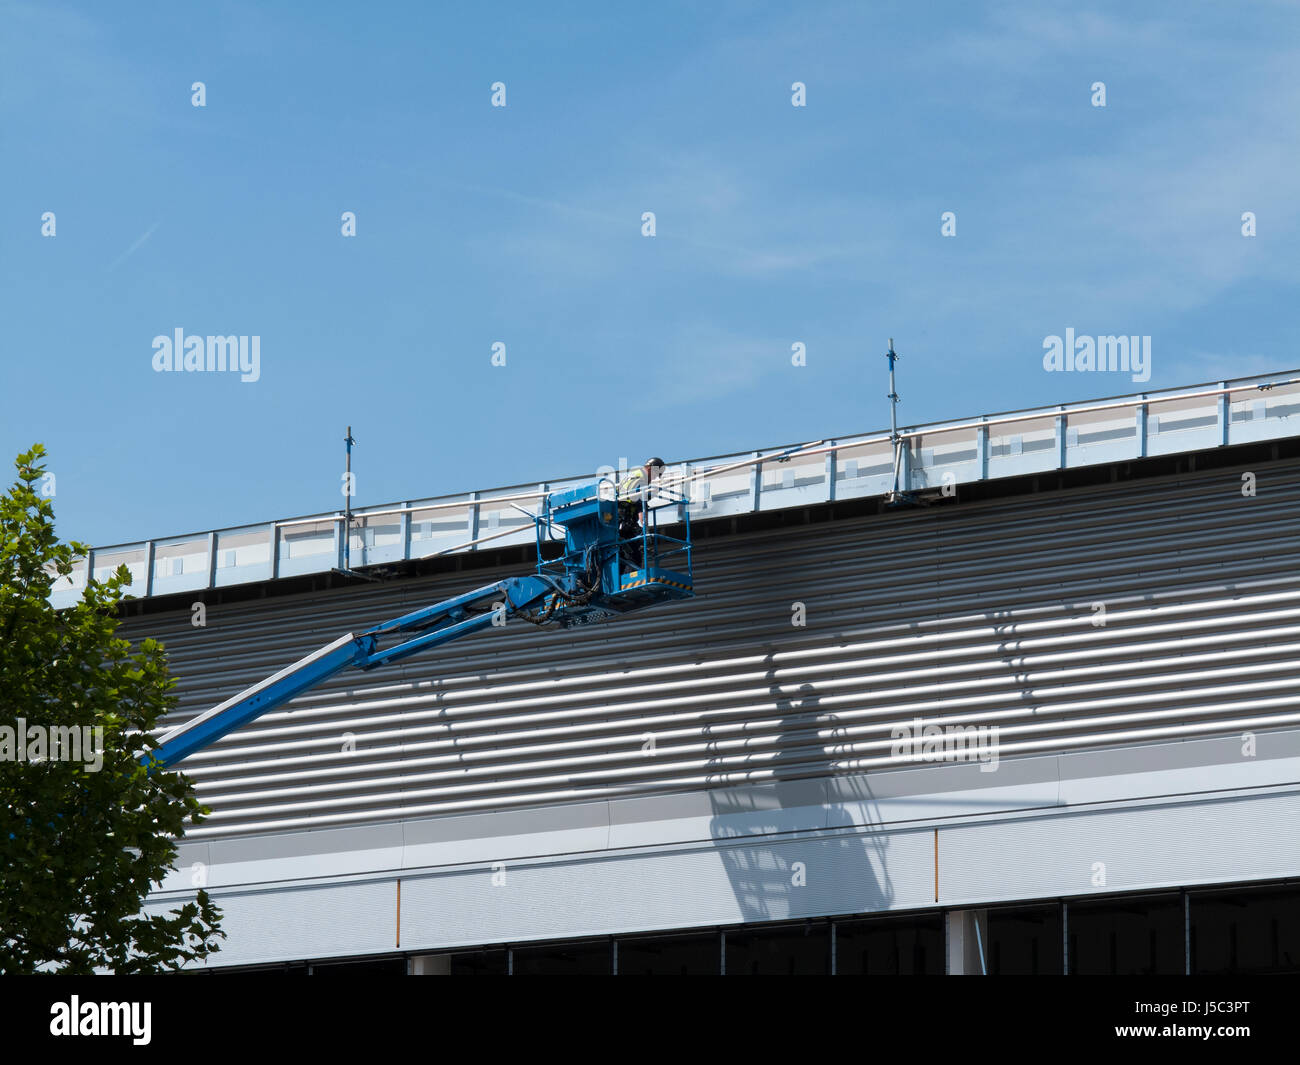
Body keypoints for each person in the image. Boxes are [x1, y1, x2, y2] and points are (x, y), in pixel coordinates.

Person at [617, 457, 665, 570]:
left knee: (622, 554)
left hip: (619, 520)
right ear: (651, 469)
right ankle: (633, 576)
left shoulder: (633, 476)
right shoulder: (641, 480)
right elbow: (641, 507)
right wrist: (645, 529)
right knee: (635, 555)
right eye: (656, 475)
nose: (654, 478)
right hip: (624, 522)